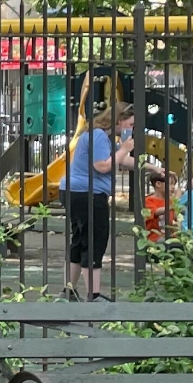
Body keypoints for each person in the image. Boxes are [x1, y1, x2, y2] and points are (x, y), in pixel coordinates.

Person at [60, 103, 134, 301]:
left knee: (80, 240)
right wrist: (126, 148)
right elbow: (102, 166)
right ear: (119, 120)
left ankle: (69, 290)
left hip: (76, 191)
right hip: (87, 193)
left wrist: (154, 168)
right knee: (94, 241)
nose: (131, 128)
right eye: (130, 123)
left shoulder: (102, 137)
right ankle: (94, 295)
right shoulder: (98, 135)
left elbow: (123, 161)